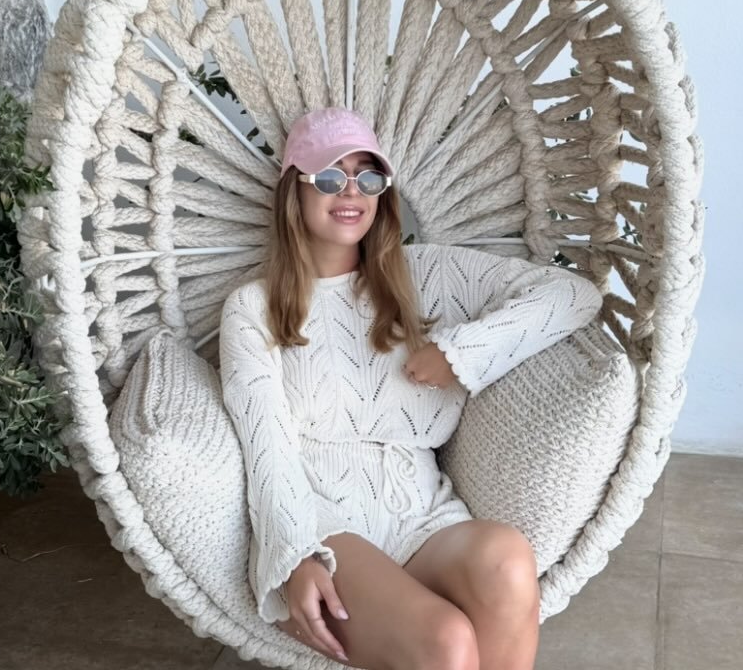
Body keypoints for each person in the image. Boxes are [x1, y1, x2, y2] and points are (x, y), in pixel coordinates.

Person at [219, 107, 602, 670]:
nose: (351, 191)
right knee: (447, 642)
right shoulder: (253, 309)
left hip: (423, 513)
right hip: (322, 524)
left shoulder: (429, 276)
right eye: (330, 176)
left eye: (368, 176)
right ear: (294, 190)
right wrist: (295, 554)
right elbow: (266, 449)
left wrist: (462, 353)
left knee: (507, 560)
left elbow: (573, 296)